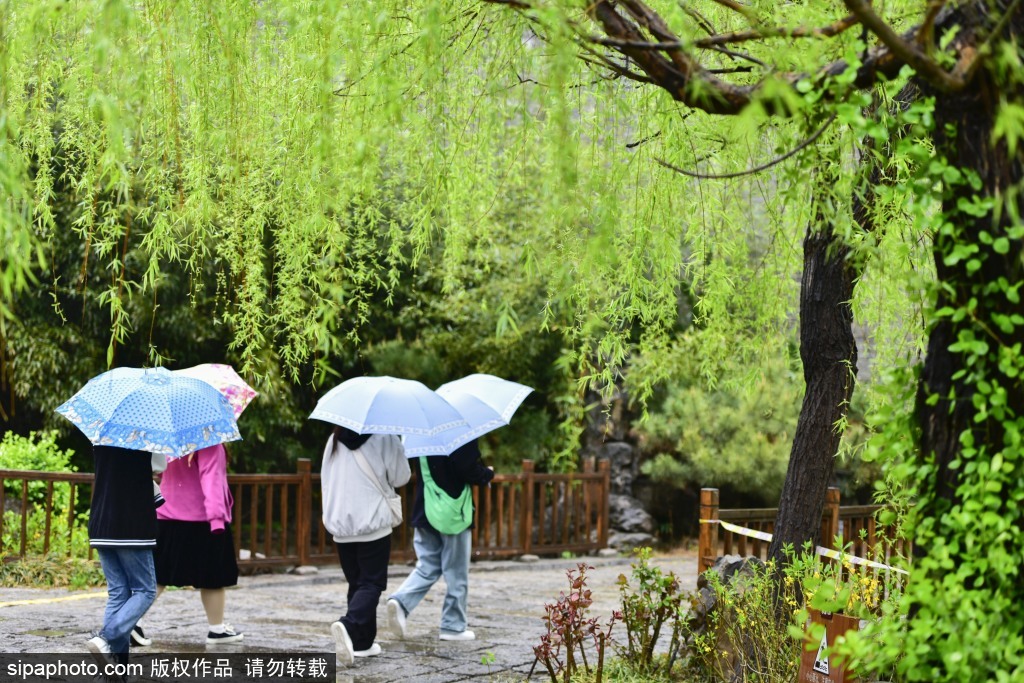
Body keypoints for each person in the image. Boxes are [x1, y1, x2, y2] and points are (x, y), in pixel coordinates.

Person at [386, 438, 493, 641]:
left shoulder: (417, 432)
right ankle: (453, 626)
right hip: (452, 512)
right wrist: (487, 474)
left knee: (427, 566)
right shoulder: (460, 430)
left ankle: (400, 601)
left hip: (425, 508)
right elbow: (467, 467)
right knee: (457, 572)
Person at [320, 427, 411, 665]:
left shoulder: (334, 439)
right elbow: (401, 477)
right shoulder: (385, 435)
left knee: (358, 584)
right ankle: (348, 625)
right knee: (372, 583)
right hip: (372, 521)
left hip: (341, 523)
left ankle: (363, 643)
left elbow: (326, 479)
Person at [142, 443, 243, 645]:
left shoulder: (171, 441)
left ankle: (130, 623)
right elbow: (211, 480)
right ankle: (217, 629)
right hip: (202, 519)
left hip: (166, 516)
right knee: (213, 579)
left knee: (157, 577)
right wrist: (217, 520)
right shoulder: (209, 443)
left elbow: (160, 473)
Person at [86, 445, 159, 666]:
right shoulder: (145, 436)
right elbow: (157, 468)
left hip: (101, 522)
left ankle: (116, 669)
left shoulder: (102, 433)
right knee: (145, 590)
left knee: (118, 593)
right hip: (130, 525)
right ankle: (106, 638)